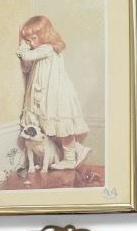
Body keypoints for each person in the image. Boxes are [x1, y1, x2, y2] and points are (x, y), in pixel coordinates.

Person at [17, 15, 91, 170]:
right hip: (46, 93)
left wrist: (22, 44)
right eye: (28, 40)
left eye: (33, 38)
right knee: (52, 127)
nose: (31, 43)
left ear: (44, 34)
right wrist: (27, 53)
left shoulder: (48, 48)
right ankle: (77, 150)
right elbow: (27, 66)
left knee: (61, 126)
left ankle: (70, 158)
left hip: (55, 93)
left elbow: (27, 56)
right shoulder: (40, 51)